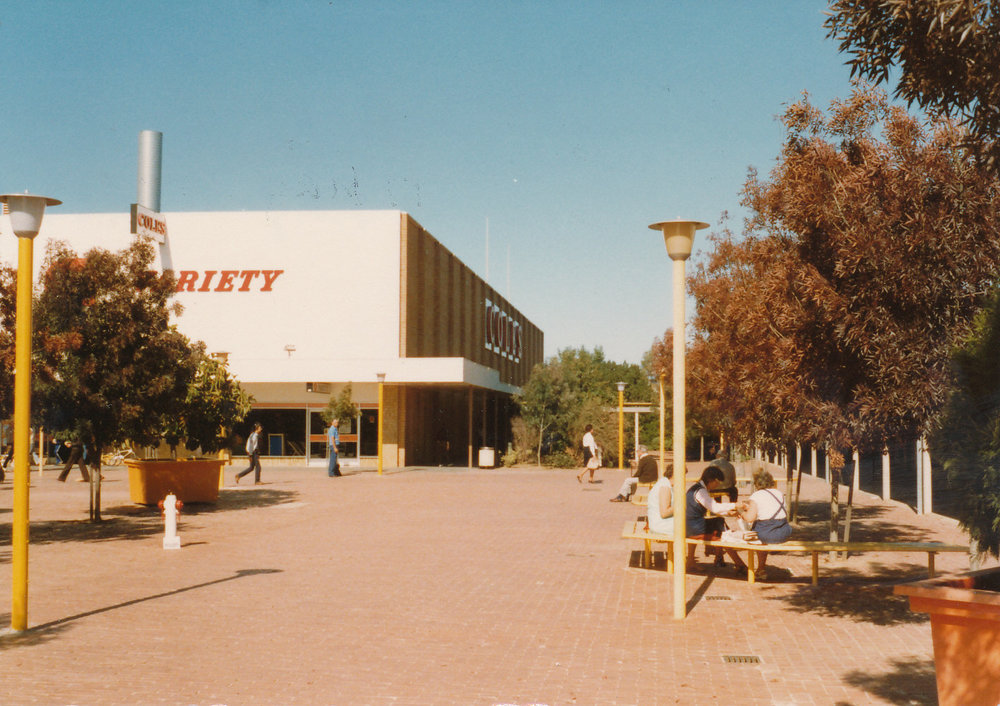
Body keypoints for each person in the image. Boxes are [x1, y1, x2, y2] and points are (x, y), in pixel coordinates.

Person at [685, 466, 747, 573]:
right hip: (694, 528)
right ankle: (737, 563)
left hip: (690, 525)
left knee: (719, 522)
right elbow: (715, 507)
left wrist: (728, 512)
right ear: (711, 480)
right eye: (717, 482)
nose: (718, 485)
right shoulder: (700, 492)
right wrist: (735, 505)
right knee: (723, 531)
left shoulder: (697, 488)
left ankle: (695, 560)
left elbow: (714, 508)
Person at [737, 468, 792, 579]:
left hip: (767, 534)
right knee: (760, 529)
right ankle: (761, 569)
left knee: (754, 531)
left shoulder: (756, 495)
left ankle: (758, 570)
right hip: (784, 532)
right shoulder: (779, 493)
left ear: (757, 483)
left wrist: (741, 513)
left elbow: (749, 518)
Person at [646, 462, 675, 535]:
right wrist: (680, 504)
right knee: (693, 526)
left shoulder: (664, 482)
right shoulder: (665, 487)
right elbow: (664, 513)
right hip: (661, 525)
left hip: (660, 523)